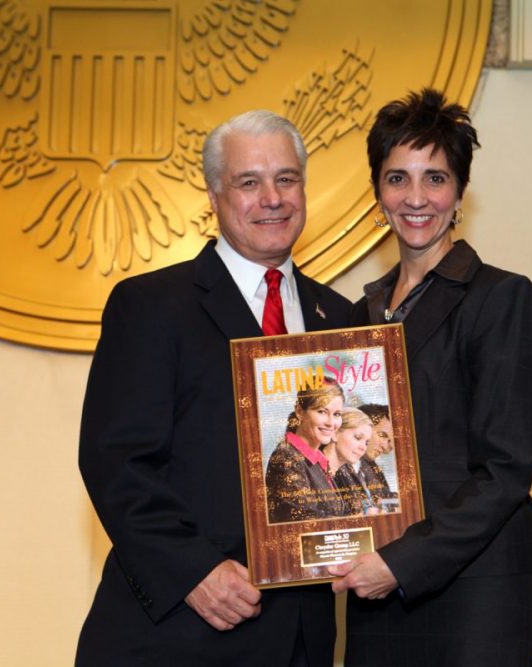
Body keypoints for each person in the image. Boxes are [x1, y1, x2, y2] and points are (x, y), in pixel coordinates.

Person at [76, 110, 351, 666]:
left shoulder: (341, 320)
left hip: (301, 638)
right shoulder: (151, 307)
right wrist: (192, 571)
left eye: (286, 179)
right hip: (178, 633)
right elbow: (116, 463)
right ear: (213, 194)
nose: (272, 198)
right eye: (249, 182)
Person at [328, 89, 532, 666]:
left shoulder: (501, 297)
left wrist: (400, 564)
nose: (416, 198)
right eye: (397, 179)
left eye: (435, 178)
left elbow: (505, 470)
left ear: (460, 193)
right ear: (378, 192)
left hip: (477, 586)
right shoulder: (360, 315)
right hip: (378, 588)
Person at [265, 378, 347, 523]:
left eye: (337, 414)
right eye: (322, 411)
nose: (331, 423)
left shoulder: (317, 460)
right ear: (299, 412)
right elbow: (304, 520)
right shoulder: (286, 459)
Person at [326, 407, 377, 516]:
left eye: (366, 442)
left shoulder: (345, 474)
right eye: (358, 438)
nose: (363, 447)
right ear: (335, 433)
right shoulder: (310, 472)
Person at [355, 403, 397, 507]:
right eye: (382, 435)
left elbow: (385, 496)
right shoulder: (337, 463)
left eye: (389, 442)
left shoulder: (372, 466)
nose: (385, 447)